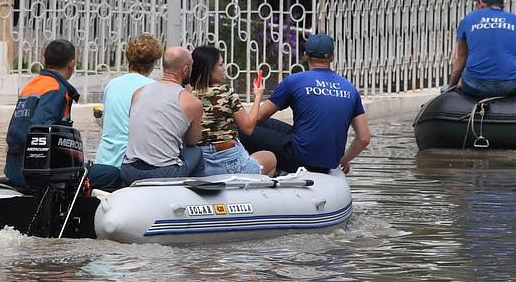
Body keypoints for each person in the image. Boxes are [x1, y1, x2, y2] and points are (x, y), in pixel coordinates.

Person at [254, 33, 371, 174]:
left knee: (243, 127)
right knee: (269, 125)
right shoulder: (350, 88)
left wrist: (257, 96)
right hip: (329, 161)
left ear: (305, 55)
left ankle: (244, 166)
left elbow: (257, 118)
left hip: (300, 158)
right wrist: (344, 160)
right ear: (332, 57)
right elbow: (364, 138)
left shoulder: (294, 81)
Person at [4, 39, 81, 190]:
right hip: (34, 175)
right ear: (71, 64)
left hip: (14, 168)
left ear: (45, 60)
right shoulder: (56, 89)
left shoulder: (32, 85)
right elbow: (40, 130)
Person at [187, 46, 276, 176]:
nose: (224, 68)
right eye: (220, 65)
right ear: (209, 69)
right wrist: (257, 97)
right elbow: (248, 128)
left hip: (200, 163)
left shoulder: (186, 96)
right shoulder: (226, 92)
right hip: (230, 159)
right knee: (270, 158)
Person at [120, 46, 204, 184]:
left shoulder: (138, 93)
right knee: (196, 152)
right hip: (163, 173)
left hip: (129, 171)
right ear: (185, 69)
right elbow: (191, 141)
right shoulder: (191, 102)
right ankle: (197, 196)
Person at [90, 34, 163, 190]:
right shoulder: (154, 88)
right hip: (133, 165)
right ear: (153, 63)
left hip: (105, 161)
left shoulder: (112, 85)